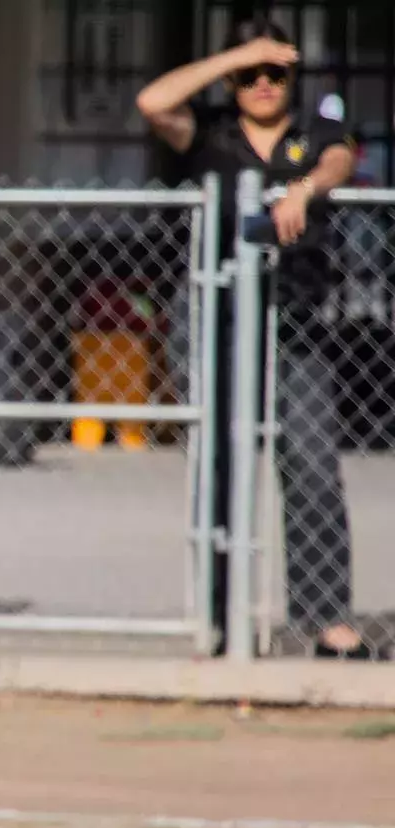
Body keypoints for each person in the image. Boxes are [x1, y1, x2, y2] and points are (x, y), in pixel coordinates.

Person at [136, 17, 380, 660]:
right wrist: (237, 55)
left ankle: (326, 615)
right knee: (218, 463)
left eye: (276, 72)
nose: (264, 84)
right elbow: (153, 102)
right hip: (215, 319)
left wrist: (303, 187)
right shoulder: (210, 134)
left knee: (311, 463)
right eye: (251, 74)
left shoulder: (314, 134)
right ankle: (220, 617)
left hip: (294, 317)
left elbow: (339, 158)